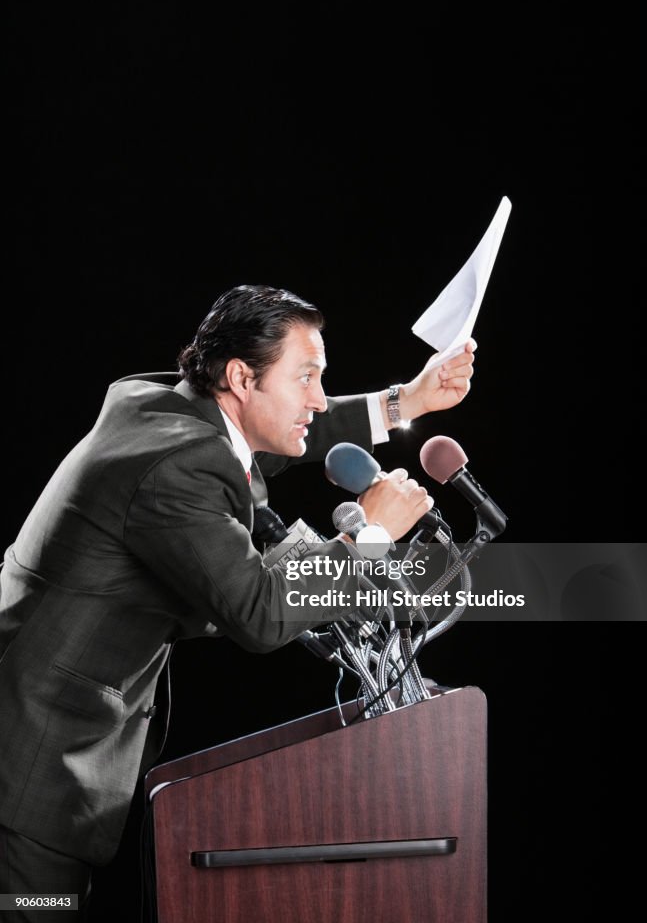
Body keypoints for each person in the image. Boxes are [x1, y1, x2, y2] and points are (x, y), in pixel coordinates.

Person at [0, 284, 474, 920]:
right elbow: (260, 613)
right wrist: (371, 536)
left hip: (44, 747)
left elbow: (281, 434)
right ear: (241, 377)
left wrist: (406, 401)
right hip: (29, 768)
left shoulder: (174, 413)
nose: (317, 398)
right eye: (305, 377)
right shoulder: (176, 463)